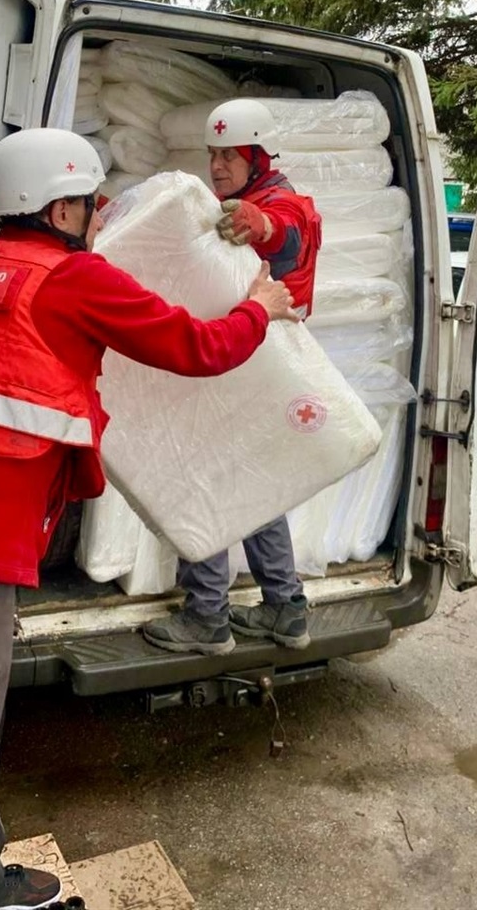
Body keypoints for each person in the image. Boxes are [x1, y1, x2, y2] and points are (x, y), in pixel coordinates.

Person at [0, 127, 296, 910]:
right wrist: (260, 306)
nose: (95, 215)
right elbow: (195, 346)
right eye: (86, 202)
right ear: (59, 206)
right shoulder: (73, 279)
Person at [144, 98, 322, 658]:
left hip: (249, 361)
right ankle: (286, 608)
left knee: (207, 475)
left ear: (257, 155)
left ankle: (206, 616)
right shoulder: (231, 202)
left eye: (230, 155)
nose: (217, 166)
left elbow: (287, 234)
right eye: (213, 154)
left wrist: (260, 224)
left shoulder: (283, 204)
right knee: (253, 482)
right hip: (261, 364)